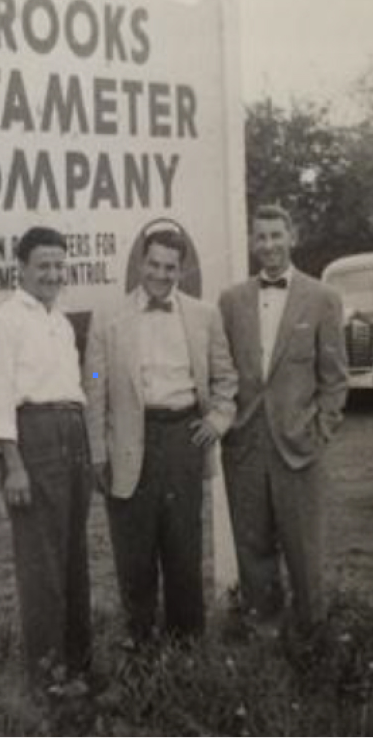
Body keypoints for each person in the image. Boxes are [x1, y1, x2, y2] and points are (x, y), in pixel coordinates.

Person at [84, 228, 237, 647]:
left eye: (170, 267)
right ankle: (141, 653)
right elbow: (94, 382)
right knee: (134, 558)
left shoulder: (204, 316)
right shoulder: (108, 319)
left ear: (181, 269)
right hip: (130, 445)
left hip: (184, 441)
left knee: (184, 553)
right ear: (140, 264)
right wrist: (98, 452)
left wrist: (218, 421)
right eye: (154, 264)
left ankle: (188, 655)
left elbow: (225, 378)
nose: (161, 274)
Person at [217, 203, 348, 636]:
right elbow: (222, 371)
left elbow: (335, 379)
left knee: (304, 549)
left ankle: (312, 638)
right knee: (252, 546)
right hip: (245, 445)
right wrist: (230, 425)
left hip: (299, 445)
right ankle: (264, 635)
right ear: (252, 243)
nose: (269, 245)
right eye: (261, 237)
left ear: (292, 237)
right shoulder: (231, 301)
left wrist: (321, 430)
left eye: (277, 235)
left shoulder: (323, 298)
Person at [0, 226, 91, 683]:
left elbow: (83, 381)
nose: (52, 274)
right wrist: (14, 464)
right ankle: (48, 676)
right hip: (34, 439)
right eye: (43, 265)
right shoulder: (5, 321)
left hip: (73, 434)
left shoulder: (60, 322)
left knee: (74, 557)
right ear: (21, 268)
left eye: (59, 265)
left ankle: (80, 668)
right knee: (41, 563)